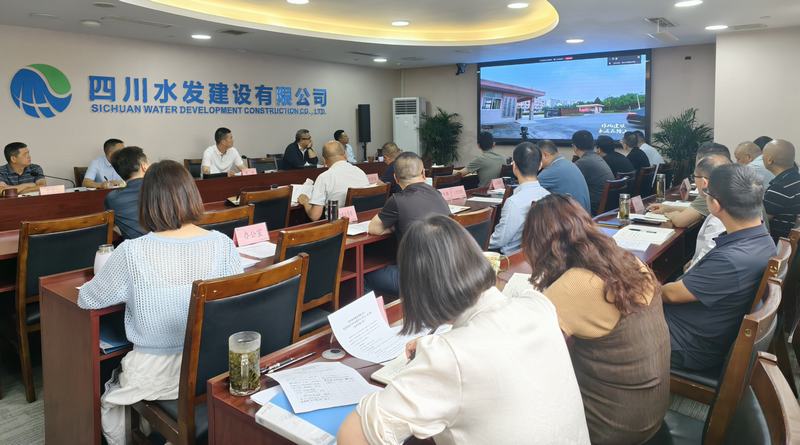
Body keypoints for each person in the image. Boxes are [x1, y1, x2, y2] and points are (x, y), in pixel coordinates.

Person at [338, 215, 590, 445]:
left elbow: (353, 436)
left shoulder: (448, 357)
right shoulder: (538, 306)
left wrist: (437, 355)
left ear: (417, 290)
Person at [77, 159, 243, 445]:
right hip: (212, 367)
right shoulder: (222, 243)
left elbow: (88, 298)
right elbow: (236, 300)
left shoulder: (131, 251)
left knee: (111, 385)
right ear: (192, 195)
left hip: (155, 375)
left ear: (147, 203)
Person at [521, 194, 669, 444]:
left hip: (611, 427)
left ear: (538, 245)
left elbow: (522, 347)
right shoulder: (628, 260)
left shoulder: (576, 285)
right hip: (650, 413)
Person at [662, 164, 775, 372]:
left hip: (684, 344)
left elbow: (669, 294)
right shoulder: (762, 239)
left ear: (715, 204)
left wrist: (639, 275)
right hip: (703, 329)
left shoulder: (732, 260)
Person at [365, 152, 451, 296]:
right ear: (423, 173)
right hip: (445, 273)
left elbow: (374, 229)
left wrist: (396, 226)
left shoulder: (397, 200)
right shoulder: (437, 194)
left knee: (364, 277)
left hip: (416, 279)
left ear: (395, 178)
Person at [648, 141, 731, 228]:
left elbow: (681, 221)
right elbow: (696, 209)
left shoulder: (711, 191)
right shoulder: (730, 184)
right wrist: (668, 208)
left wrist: (670, 215)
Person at [488, 142, 549, 254]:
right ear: (540, 165)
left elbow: (498, 241)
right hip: (534, 256)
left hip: (509, 258)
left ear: (514, 166)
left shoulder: (514, 202)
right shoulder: (549, 196)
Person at [297, 141, 369, 221]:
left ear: (324, 160)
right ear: (345, 155)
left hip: (337, 225)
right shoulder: (360, 172)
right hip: (363, 221)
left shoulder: (324, 177)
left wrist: (305, 201)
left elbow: (315, 216)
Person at [686, 155, 731, 270]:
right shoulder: (740, 205)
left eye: (694, 177)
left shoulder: (719, 218)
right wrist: (694, 261)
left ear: (704, 182)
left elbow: (703, 266)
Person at [105, 146, 149, 240]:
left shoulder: (112, 198)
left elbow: (113, 227)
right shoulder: (162, 188)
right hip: (170, 244)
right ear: (144, 166)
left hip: (134, 247)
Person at [538, 139, 591, 213]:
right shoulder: (568, 163)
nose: (536, 161)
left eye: (536, 157)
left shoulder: (553, 170)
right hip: (583, 215)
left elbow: (528, 189)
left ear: (545, 155)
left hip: (572, 218)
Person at [763, 139, 800, 240]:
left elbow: (761, 221)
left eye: (763, 155)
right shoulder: (796, 179)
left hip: (779, 243)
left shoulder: (779, 188)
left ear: (769, 160)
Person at [572, 130, 613, 214]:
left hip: (592, 208)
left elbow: (569, 184)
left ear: (574, 147)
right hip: (605, 206)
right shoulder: (597, 157)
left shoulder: (583, 162)